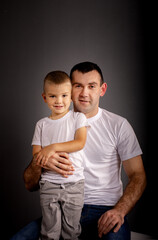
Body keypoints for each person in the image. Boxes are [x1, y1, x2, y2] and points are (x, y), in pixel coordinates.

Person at [11, 62, 146, 240]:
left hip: (105, 210)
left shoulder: (118, 125)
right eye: (78, 86)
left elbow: (138, 175)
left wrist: (119, 211)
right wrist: (41, 162)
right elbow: (30, 184)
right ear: (69, 88)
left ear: (102, 89)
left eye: (92, 86)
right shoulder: (49, 125)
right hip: (60, 206)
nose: (84, 93)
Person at [31, 71, 89, 239]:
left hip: (74, 184)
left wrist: (52, 148)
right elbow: (37, 155)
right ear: (44, 98)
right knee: (49, 232)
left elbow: (79, 142)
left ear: (71, 97)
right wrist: (44, 153)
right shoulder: (41, 125)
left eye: (64, 95)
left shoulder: (78, 118)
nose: (59, 101)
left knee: (71, 232)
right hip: (49, 184)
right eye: (53, 96)